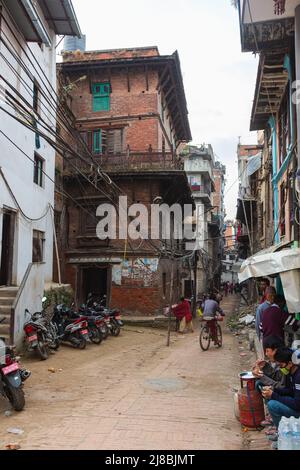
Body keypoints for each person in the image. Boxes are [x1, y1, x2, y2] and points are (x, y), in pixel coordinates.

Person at [262, 348, 300, 447]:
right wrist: (274, 390)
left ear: (290, 363)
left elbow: (297, 404)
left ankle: (283, 436)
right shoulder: (292, 373)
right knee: (270, 396)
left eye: (281, 365)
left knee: (272, 405)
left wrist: (274, 395)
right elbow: (290, 391)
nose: (281, 367)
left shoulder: (298, 376)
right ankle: (282, 433)